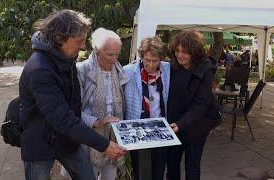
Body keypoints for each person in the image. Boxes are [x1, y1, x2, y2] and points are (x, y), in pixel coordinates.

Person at [19, 10, 126, 180]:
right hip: (39, 143)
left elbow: (75, 103)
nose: (84, 46)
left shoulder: (67, 58)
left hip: (66, 140)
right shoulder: (40, 68)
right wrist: (104, 145)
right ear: (60, 38)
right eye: (79, 41)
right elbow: (63, 118)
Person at [76, 27, 128, 180]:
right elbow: (72, 109)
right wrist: (96, 121)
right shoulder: (82, 70)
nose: (114, 59)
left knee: (110, 175)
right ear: (97, 50)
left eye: (117, 54)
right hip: (89, 134)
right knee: (88, 174)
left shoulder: (119, 70)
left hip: (113, 134)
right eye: (109, 54)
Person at [167, 30, 214, 180]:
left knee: (192, 165)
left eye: (185, 52)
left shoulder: (205, 70)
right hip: (174, 124)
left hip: (197, 126)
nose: (180, 55)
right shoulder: (172, 67)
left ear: (195, 52)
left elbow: (201, 104)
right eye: (177, 51)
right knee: (172, 163)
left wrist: (181, 124)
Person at [123, 36, 170, 180]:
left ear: (161, 59)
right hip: (136, 126)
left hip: (160, 127)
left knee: (159, 167)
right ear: (142, 56)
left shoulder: (167, 70)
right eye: (147, 59)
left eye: (155, 61)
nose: (150, 64)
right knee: (140, 169)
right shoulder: (128, 71)